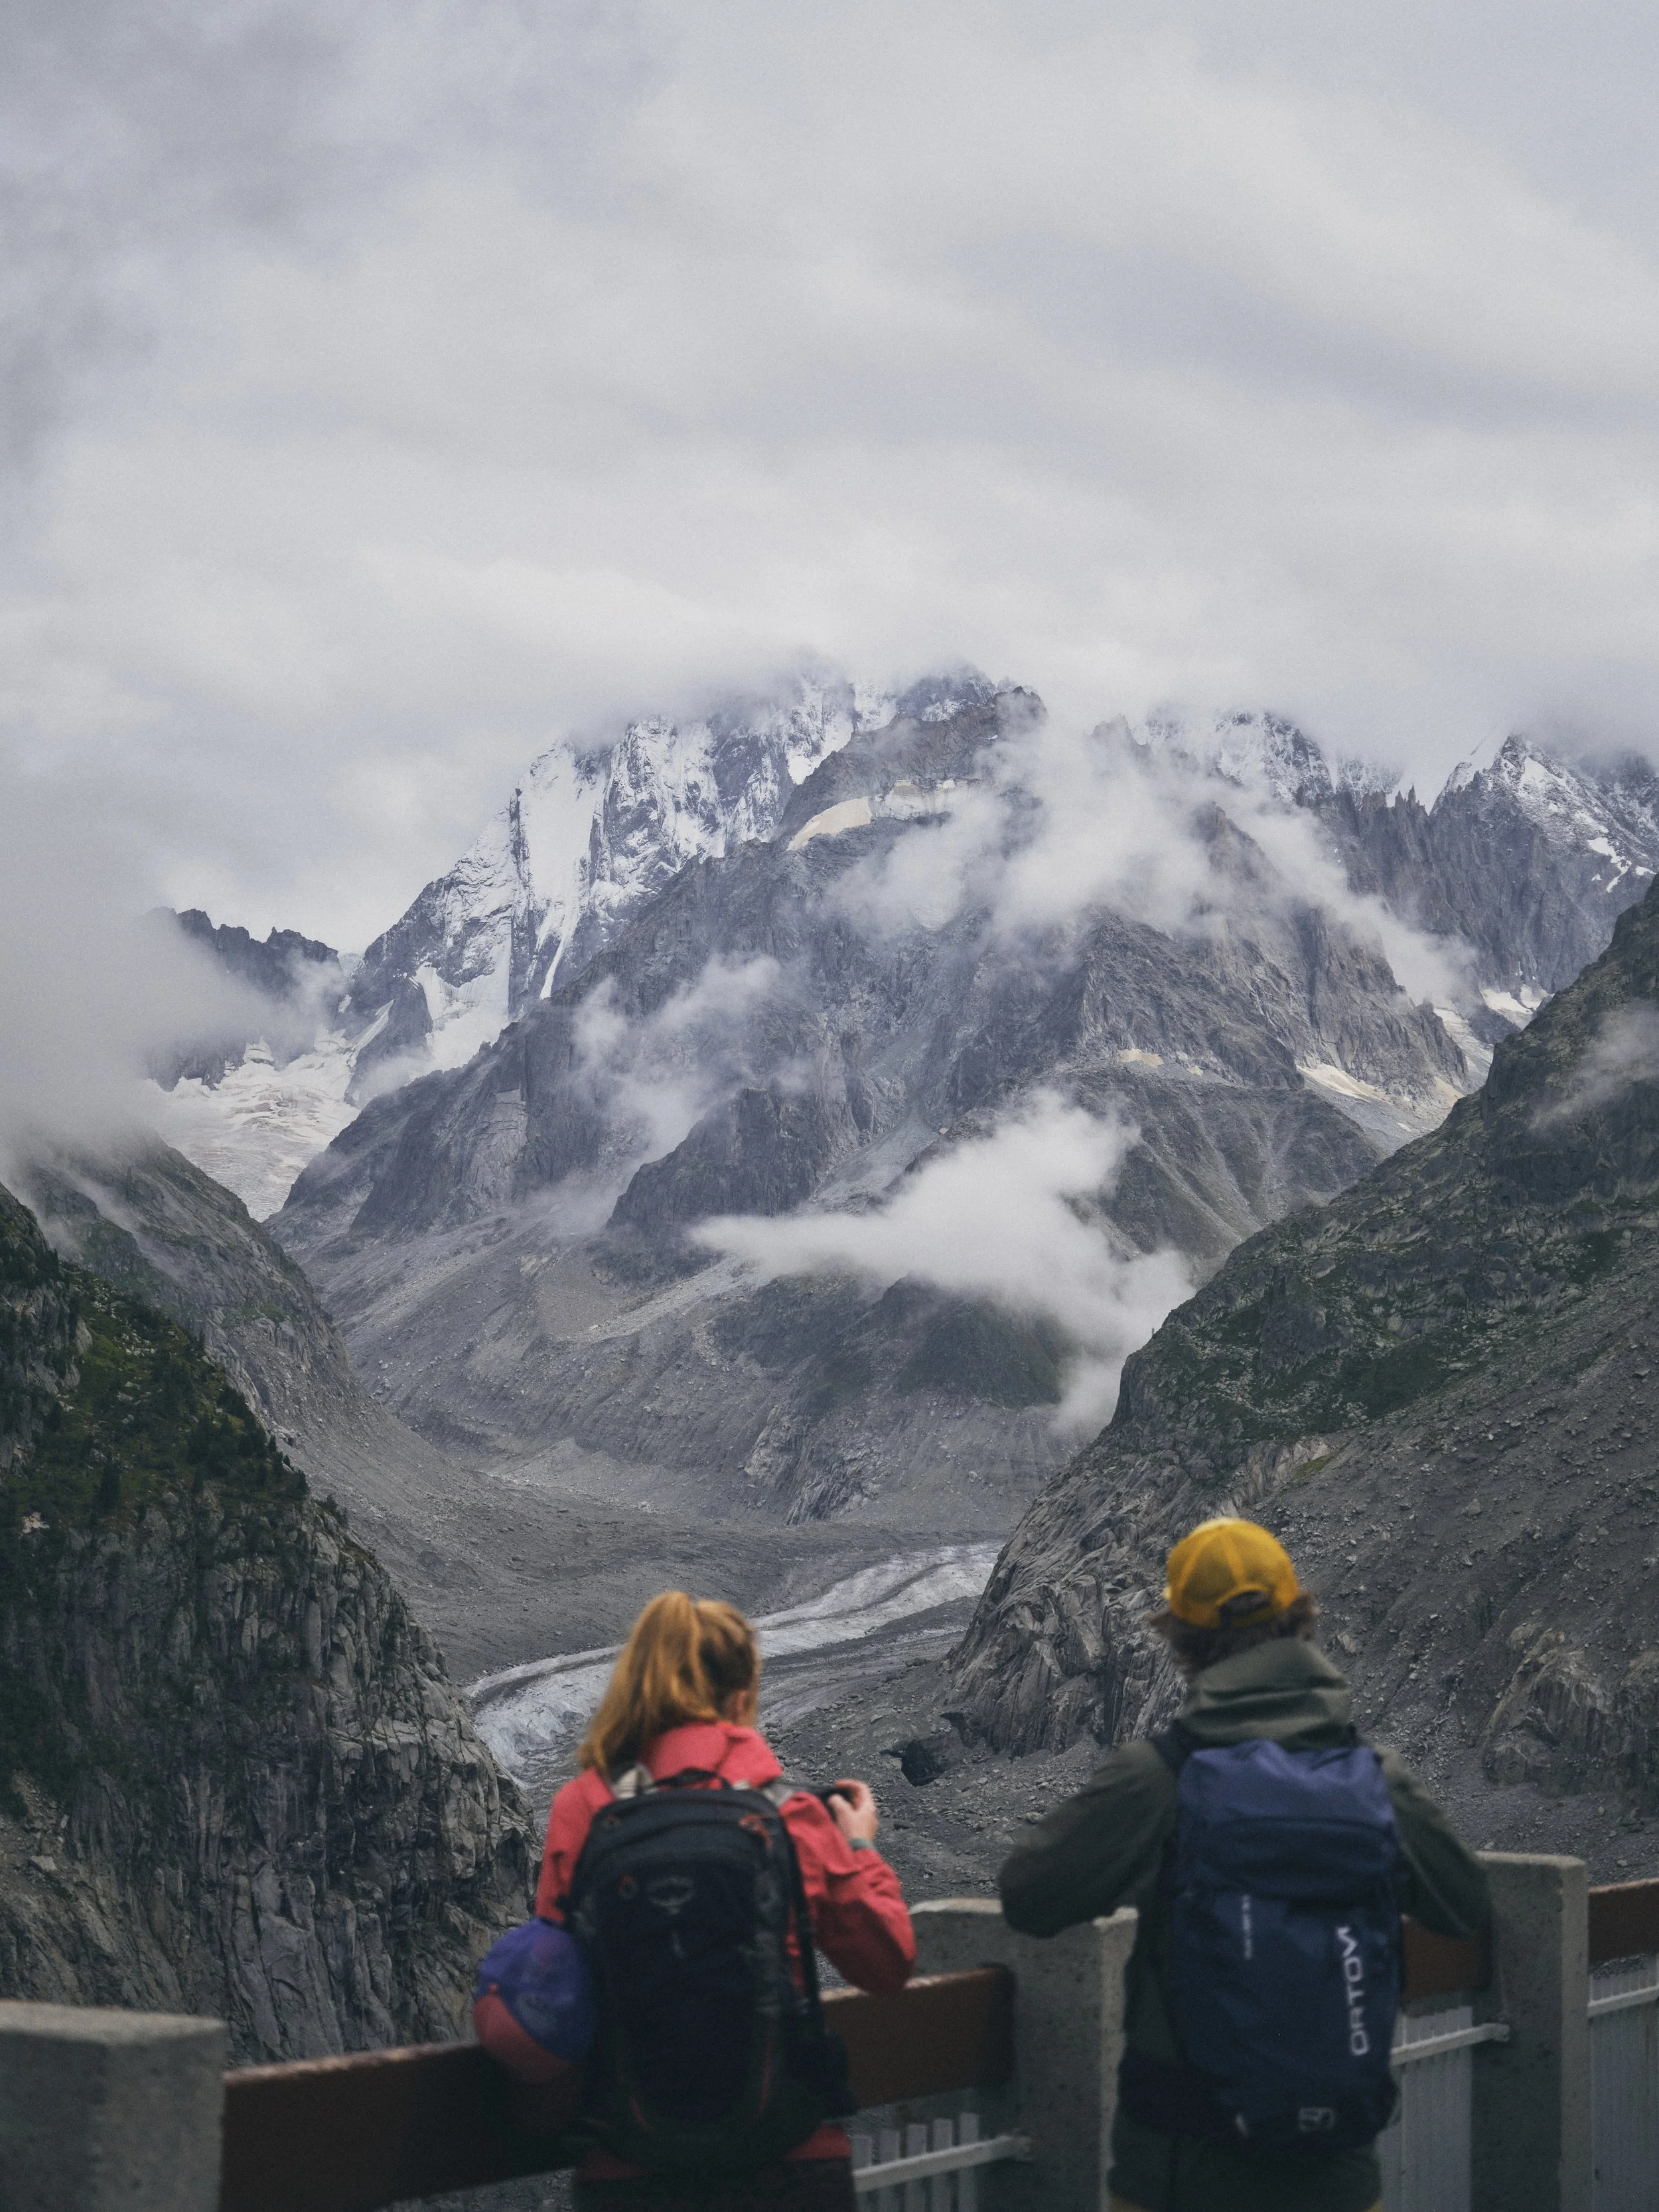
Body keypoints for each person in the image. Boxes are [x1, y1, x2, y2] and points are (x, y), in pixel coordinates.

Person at [998, 1517, 1490, 2212]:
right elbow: (1464, 1905)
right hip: (1334, 2175)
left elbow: (1028, 1895)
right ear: (1300, 1618)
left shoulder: (1159, 1778)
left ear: (1180, 1639)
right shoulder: (1376, 1780)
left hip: (1177, 2172)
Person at [537, 1591, 915, 2211]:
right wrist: (861, 1848)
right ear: (739, 1700)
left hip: (632, 2163)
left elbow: (554, 1984)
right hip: (785, 2162)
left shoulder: (582, 1810)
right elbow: (887, 1960)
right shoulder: (786, 1811)